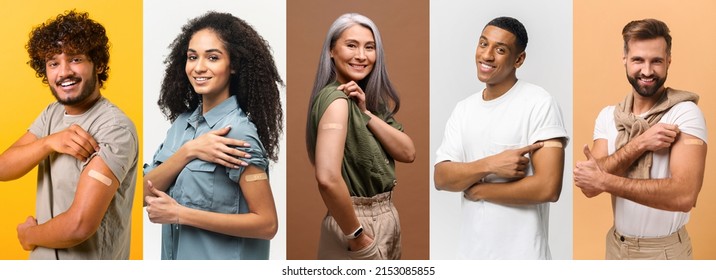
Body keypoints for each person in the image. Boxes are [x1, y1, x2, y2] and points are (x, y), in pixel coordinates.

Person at [0, 10, 138, 259]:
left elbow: (79, 224)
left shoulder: (114, 128)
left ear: (99, 63)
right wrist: (49, 142)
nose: (63, 72)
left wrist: (28, 235)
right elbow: (3, 167)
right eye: (53, 63)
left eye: (75, 59)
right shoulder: (52, 114)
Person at [143, 11, 281, 260]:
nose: (199, 67)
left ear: (234, 66)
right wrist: (189, 151)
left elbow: (267, 225)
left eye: (213, 57)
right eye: (192, 57)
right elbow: (144, 194)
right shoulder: (181, 126)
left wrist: (180, 214)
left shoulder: (237, 132)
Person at [433, 17, 568, 259]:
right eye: (483, 44)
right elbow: (442, 177)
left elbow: (549, 187)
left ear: (519, 59)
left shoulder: (539, 104)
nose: (487, 55)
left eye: (500, 49)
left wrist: (482, 190)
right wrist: (491, 164)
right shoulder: (463, 110)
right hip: (472, 257)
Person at [574, 19, 706, 260]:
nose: (647, 71)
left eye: (656, 61)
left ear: (668, 61)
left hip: (664, 252)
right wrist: (640, 143)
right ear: (624, 58)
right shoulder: (609, 116)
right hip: (616, 246)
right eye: (638, 60)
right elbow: (589, 188)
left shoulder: (684, 113)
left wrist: (605, 181)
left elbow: (684, 195)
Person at [306, 13, 415, 260]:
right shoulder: (337, 101)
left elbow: (408, 152)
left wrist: (365, 113)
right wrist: (357, 235)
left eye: (370, 47)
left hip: (385, 216)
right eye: (351, 45)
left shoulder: (366, 102)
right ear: (332, 50)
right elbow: (327, 178)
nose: (361, 56)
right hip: (360, 222)